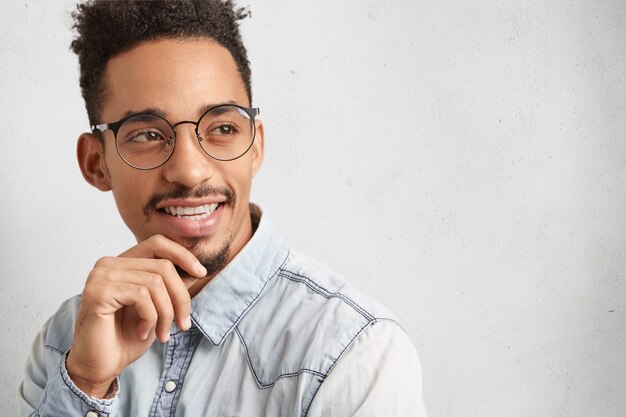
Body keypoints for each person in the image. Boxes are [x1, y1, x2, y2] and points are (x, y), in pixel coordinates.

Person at [18, 1, 427, 416]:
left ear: (256, 146)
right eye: (146, 134)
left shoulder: (353, 352)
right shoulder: (65, 343)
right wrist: (84, 384)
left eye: (223, 128)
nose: (191, 172)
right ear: (96, 163)